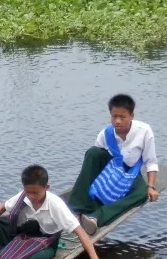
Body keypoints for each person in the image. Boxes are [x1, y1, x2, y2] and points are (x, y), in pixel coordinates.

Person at [0, 164, 108, 259]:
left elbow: (80, 232)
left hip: (45, 241)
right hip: (20, 233)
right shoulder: (24, 195)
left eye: (36, 193)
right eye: (28, 192)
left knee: (44, 257)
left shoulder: (55, 205)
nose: (31, 196)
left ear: (46, 188)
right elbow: (3, 206)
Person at [68, 94, 160, 233]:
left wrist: (151, 186)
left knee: (142, 194)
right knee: (93, 152)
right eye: (113, 116)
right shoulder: (105, 134)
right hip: (111, 169)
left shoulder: (144, 131)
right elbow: (95, 163)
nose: (117, 121)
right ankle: (78, 207)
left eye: (122, 117)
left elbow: (151, 162)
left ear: (131, 116)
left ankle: (96, 217)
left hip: (130, 173)